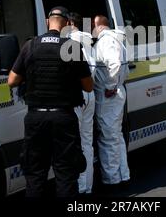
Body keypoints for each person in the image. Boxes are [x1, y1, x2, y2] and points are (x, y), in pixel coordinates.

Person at [8, 6, 93, 197]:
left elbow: (12, 80)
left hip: (36, 118)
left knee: (35, 173)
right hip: (63, 118)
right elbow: (88, 87)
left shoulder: (30, 45)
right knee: (65, 173)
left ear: (48, 21)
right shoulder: (71, 47)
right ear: (66, 24)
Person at [92, 15, 130, 191]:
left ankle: (112, 180)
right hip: (115, 92)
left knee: (108, 138)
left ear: (99, 26)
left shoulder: (106, 41)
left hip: (108, 94)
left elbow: (114, 63)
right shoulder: (116, 39)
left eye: (92, 26)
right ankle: (123, 174)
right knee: (115, 136)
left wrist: (110, 85)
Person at [67, 12, 96, 195]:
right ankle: (87, 186)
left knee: (74, 143)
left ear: (69, 23)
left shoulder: (69, 41)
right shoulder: (89, 41)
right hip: (89, 93)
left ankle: (79, 186)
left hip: (76, 95)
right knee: (87, 142)